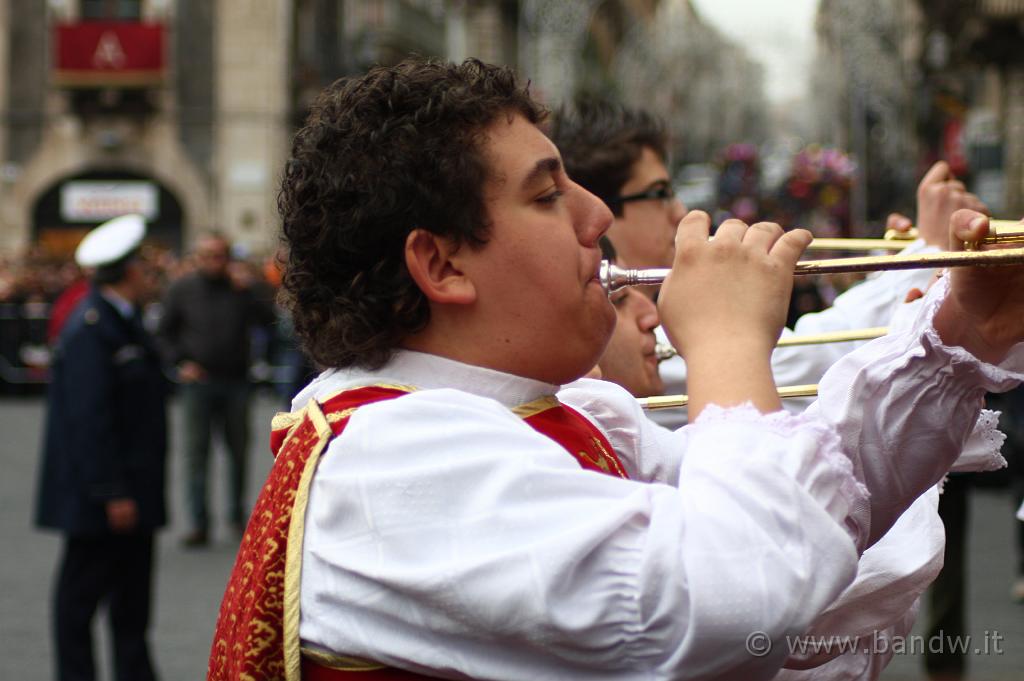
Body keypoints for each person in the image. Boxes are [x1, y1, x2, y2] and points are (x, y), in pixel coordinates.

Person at [209, 58, 1024, 681]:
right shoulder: (393, 457)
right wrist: (728, 346)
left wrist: (964, 326)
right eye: (546, 195)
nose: (597, 216)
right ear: (442, 264)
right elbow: (740, 593)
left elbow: (822, 492)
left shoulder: (560, 412)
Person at [35, 214, 167, 681]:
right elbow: (90, 419)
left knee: (132, 602)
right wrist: (111, 491)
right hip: (105, 496)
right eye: (147, 268)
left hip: (131, 488)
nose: (153, 276)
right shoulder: (91, 327)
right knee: (79, 602)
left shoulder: (123, 321)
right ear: (130, 272)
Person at [157, 231, 276, 547]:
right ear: (196, 258)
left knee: (238, 452)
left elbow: (272, 320)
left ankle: (236, 517)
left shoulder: (241, 289)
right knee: (196, 454)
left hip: (237, 381)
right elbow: (164, 333)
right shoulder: (182, 289)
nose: (213, 262)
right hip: (199, 383)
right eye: (206, 256)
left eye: (219, 256)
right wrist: (180, 362)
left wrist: (252, 290)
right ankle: (198, 522)